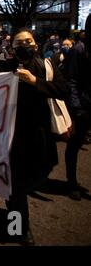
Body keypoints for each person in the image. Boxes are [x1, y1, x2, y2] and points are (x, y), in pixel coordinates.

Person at [8, 29, 68, 245]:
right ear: (12, 48)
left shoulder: (47, 66)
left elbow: (63, 91)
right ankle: (17, 229)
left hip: (40, 136)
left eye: (28, 41)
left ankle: (14, 205)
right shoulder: (6, 68)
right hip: (14, 138)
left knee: (42, 172)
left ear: (35, 43)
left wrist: (35, 81)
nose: (25, 46)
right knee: (17, 187)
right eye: (19, 43)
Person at [58, 15, 91, 200]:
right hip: (83, 106)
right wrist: (77, 107)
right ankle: (72, 182)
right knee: (74, 145)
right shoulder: (79, 50)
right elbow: (71, 80)